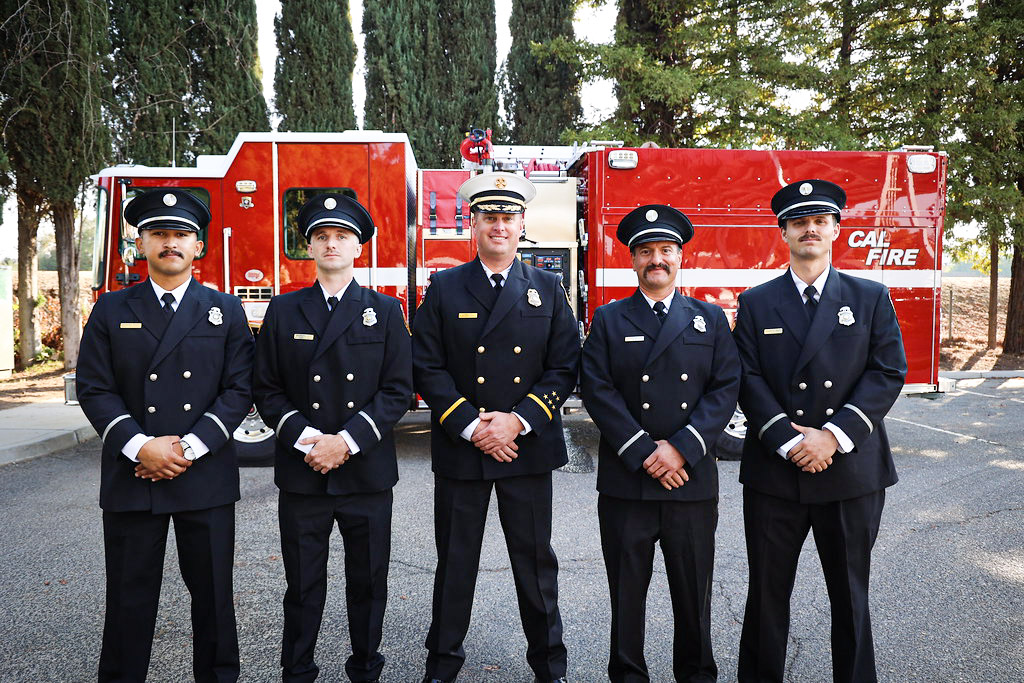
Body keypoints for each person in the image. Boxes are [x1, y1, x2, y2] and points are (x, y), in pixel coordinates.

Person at [733, 179, 908, 683]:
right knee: (766, 594)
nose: (810, 228)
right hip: (776, 472)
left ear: (835, 228)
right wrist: (788, 439)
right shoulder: (758, 301)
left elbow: (887, 372)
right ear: (783, 231)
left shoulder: (869, 296)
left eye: (820, 220)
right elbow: (747, 377)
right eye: (799, 221)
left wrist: (832, 435)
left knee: (851, 595)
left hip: (850, 471)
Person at [77, 188, 254, 682]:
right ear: (141, 244)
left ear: (199, 246)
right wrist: (141, 446)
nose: (169, 243)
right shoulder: (112, 310)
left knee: (215, 597)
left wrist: (187, 448)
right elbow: (95, 388)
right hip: (135, 475)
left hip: (204, 476)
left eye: (181, 235)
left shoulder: (225, 309)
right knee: (129, 599)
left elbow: (239, 389)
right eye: (158, 234)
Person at [412, 172, 580, 683]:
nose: (499, 226)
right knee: (455, 565)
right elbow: (427, 364)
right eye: (489, 217)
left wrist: (517, 421)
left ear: (521, 224)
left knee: (535, 567)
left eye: (508, 217)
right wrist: (471, 425)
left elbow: (564, 366)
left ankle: (550, 667)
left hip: (525, 450)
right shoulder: (444, 286)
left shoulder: (547, 288)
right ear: (474, 224)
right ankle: (441, 667)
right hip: (465, 449)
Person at [252, 193, 412, 683]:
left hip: (364, 471)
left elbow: (396, 390)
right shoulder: (284, 309)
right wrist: (309, 441)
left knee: (368, 583)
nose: (331, 244)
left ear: (358, 247)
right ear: (309, 248)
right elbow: (267, 388)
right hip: (304, 473)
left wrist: (344, 441)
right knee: (302, 585)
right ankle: (297, 671)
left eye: (341, 236)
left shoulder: (384, 310)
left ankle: (366, 668)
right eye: (321, 236)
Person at [580, 204, 740, 682]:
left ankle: (695, 676)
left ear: (679, 258)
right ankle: (627, 675)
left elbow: (726, 386)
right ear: (633, 261)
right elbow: (597, 388)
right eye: (646, 251)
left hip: (690, 482)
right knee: (627, 597)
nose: (657, 259)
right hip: (628, 483)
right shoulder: (609, 319)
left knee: (694, 597)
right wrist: (644, 451)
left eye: (666, 250)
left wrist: (682, 447)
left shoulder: (709, 319)